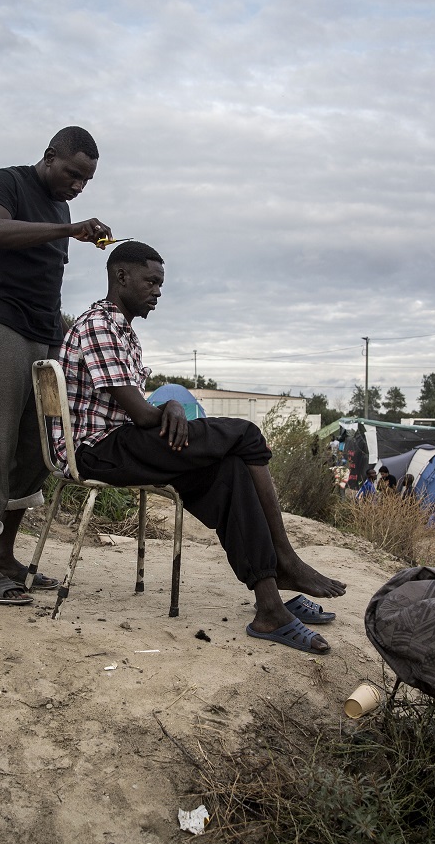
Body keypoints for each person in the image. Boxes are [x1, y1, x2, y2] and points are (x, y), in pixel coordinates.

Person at [56, 241, 347, 653]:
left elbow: (136, 411)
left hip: (121, 444)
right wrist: (172, 403)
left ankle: (269, 606)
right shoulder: (99, 325)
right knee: (245, 434)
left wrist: (169, 407)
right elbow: (140, 414)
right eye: (151, 281)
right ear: (121, 276)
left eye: (161, 284)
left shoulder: (123, 331)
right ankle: (285, 558)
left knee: (228, 470)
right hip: (97, 450)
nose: (158, 291)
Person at [0, 126, 114, 606]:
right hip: (2, 326)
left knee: (38, 445)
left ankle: (6, 556)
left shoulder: (62, 207)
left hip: (45, 335)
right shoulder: (7, 182)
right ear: (50, 157)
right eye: (73, 174)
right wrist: (68, 229)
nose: (77, 186)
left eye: (86, 181)